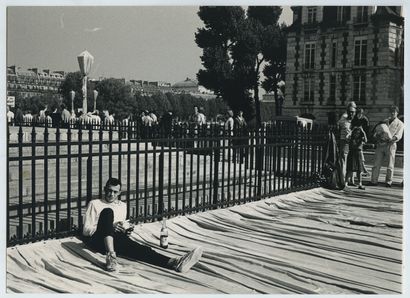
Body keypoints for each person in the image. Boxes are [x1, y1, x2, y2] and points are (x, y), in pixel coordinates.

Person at [82, 178, 203, 272]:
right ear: (104, 189)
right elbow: (86, 230)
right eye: (109, 191)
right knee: (108, 212)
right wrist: (109, 227)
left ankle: (174, 263)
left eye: (114, 192)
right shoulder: (95, 203)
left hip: (116, 239)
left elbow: (122, 224)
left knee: (141, 249)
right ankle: (111, 258)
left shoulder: (122, 206)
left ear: (119, 192)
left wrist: (125, 229)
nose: (111, 194)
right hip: (98, 240)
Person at [370, 105, 404, 187]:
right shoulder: (385, 121)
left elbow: (399, 135)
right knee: (376, 163)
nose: (392, 113)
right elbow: (378, 131)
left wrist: (391, 139)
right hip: (381, 144)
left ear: (397, 113)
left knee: (390, 165)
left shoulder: (400, 124)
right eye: (391, 111)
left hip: (391, 145)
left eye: (394, 112)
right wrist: (377, 137)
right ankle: (373, 181)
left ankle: (388, 182)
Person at [337, 102, 356, 187]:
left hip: (353, 143)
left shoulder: (355, 119)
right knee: (343, 160)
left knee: (352, 161)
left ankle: (351, 179)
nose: (351, 113)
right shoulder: (344, 118)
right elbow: (341, 126)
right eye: (350, 111)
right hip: (345, 141)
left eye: (353, 111)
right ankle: (342, 180)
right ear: (347, 111)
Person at [351, 108, 370, 177]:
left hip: (361, 139)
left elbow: (367, 130)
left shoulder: (364, 120)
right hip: (354, 139)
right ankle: (363, 170)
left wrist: (364, 139)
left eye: (361, 114)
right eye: (358, 114)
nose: (359, 115)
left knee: (360, 154)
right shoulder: (354, 119)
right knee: (359, 155)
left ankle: (363, 169)